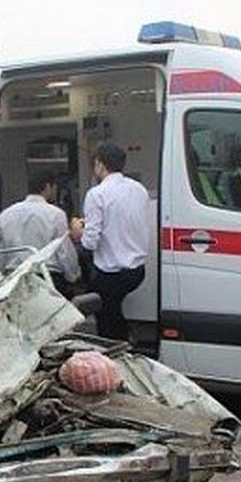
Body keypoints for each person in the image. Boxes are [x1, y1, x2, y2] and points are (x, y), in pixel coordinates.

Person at [70, 143, 149, 341]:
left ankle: (116, 350)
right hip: (137, 270)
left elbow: (90, 243)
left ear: (100, 165)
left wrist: (79, 232)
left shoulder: (97, 194)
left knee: (104, 315)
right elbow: (122, 221)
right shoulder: (139, 189)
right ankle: (125, 339)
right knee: (112, 309)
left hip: (111, 273)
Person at [0, 170, 81, 294]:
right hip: (48, 278)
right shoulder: (56, 215)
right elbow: (65, 253)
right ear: (48, 187)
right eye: (55, 187)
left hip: (14, 279)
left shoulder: (6, 215)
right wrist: (74, 276)